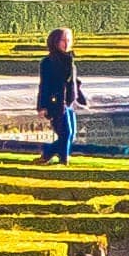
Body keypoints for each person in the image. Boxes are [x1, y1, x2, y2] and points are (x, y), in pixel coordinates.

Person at [34, 25, 82, 163]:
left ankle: (47, 154)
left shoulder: (69, 59)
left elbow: (72, 81)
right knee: (65, 133)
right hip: (56, 102)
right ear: (55, 42)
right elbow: (44, 85)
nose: (66, 43)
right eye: (63, 40)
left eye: (68, 40)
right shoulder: (48, 62)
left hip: (69, 102)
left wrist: (80, 96)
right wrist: (42, 106)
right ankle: (63, 161)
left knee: (71, 135)